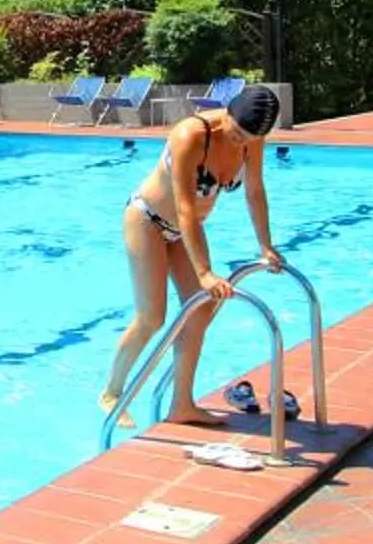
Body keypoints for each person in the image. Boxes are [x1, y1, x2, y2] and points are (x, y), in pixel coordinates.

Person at [100, 84, 285, 427]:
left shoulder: (252, 137)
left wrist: (266, 246)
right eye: (237, 133)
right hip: (149, 222)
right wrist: (204, 272)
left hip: (186, 230)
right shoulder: (189, 135)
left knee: (201, 309)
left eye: (248, 138)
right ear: (226, 115)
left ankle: (181, 405)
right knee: (152, 318)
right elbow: (185, 207)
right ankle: (112, 391)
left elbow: (255, 191)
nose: (240, 142)